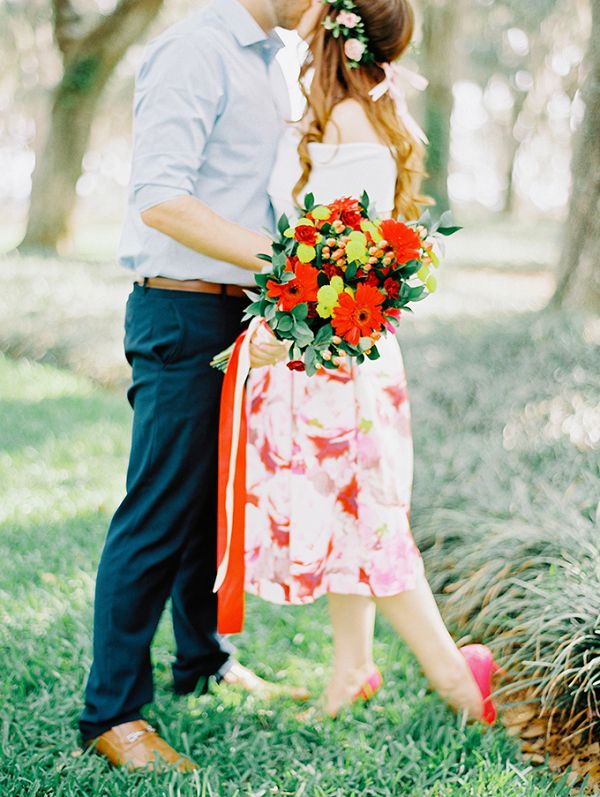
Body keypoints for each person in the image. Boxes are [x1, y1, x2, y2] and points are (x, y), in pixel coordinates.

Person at [243, 0, 499, 722]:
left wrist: (278, 332)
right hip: (337, 356)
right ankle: (352, 667)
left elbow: (344, 268)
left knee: (375, 526)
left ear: (337, 29)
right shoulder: (354, 114)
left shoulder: (352, 120)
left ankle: (458, 683)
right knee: (351, 516)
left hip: (336, 358)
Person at [79, 0, 311, 772]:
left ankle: (203, 660)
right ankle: (111, 714)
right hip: (180, 310)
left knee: (214, 501)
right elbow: (163, 198)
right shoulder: (194, 50)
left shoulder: (271, 61)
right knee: (158, 509)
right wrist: (294, 266)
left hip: (238, 313)